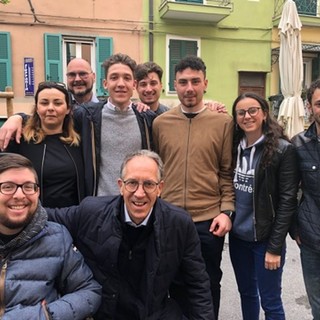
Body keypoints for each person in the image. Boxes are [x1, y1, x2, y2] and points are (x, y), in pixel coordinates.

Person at [46, 149, 214, 320]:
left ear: (160, 188)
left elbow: (197, 284)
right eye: (132, 183)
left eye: (148, 184)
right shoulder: (91, 212)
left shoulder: (179, 224)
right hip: (103, 314)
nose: (139, 193)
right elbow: (49, 217)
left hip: (154, 313)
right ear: (120, 185)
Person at [0, 53, 156, 197]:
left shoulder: (146, 118)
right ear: (105, 83)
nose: (120, 84)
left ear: (134, 84)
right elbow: (51, 116)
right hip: (98, 205)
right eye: (114, 77)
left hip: (137, 201)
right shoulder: (87, 115)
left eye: (127, 78)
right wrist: (18, 117)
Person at [152, 55, 234, 319]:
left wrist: (227, 210)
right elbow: (155, 171)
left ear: (205, 84)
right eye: (183, 82)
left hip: (209, 220)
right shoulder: (160, 124)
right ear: (174, 85)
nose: (189, 88)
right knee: (172, 283)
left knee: (208, 282)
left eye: (195, 81)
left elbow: (226, 172)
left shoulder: (223, 123)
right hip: (169, 218)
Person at [0, 153, 101, 319]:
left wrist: (47, 315)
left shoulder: (56, 237)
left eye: (28, 186)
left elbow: (89, 291)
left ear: (37, 191)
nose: (19, 195)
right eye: (8, 187)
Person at [230, 92, 298, 320]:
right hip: (238, 238)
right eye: (241, 112)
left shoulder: (282, 150)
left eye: (252, 111)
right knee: (247, 294)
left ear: (264, 114)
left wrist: (275, 247)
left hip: (266, 239)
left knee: (270, 301)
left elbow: (288, 201)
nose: (246, 116)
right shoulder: (233, 147)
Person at [4, 81, 87, 208]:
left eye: (58, 103)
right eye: (44, 103)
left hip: (73, 218)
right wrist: (17, 117)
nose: (50, 108)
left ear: (68, 109)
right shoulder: (19, 141)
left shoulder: (79, 142)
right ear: (37, 108)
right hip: (33, 218)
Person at [291, 79, 320, 320]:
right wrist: (295, 228)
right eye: (319, 103)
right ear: (310, 107)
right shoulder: (298, 144)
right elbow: (290, 191)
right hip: (311, 239)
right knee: (317, 305)